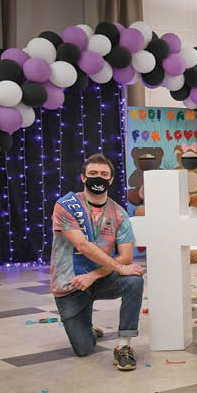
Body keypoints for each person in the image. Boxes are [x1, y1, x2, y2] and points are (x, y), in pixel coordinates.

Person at [50, 154, 145, 371]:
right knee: (84, 349)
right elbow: (82, 245)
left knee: (134, 280)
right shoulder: (65, 205)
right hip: (70, 284)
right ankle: (88, 329)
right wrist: (119, 267)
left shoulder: (119, 213)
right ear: (83, 177)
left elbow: (126, 257)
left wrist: (93, 275)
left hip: (99, 278)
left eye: (104, 174)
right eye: (93, 174)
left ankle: (124, 346)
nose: (98, 178)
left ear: (111, 180)